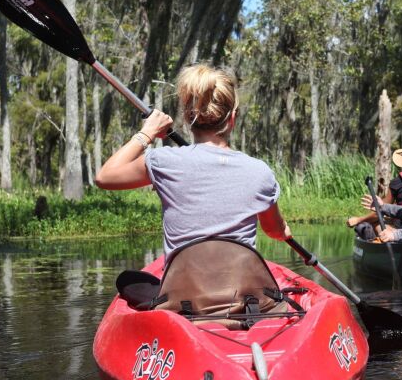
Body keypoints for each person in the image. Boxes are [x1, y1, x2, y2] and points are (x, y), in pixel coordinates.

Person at [95, 64, 292, 263]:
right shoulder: (259, 172)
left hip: (182, 291)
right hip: (239, 291)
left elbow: (105, 177)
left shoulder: (163, 161)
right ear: (232, 119)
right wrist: (283, 230)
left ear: (188, 117)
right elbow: (274, 230)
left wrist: (148, 132)